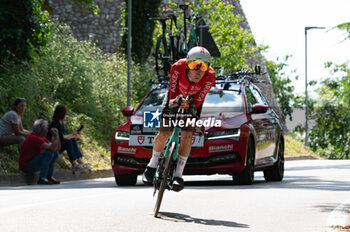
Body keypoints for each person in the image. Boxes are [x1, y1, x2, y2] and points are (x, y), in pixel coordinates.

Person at [142, 46, 216, 191]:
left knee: (188, 134)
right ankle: (152, 165)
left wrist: (191, 106)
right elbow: (173, 89)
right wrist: (176, 101)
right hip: (174, 97)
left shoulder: (210, 76)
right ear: (187, 64)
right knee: (165, 132)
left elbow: (200, 97)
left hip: (193, 102)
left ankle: (178, 175)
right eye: (194, 66)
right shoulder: (177, 67)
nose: (198, 72)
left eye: (203, 67)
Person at [46, 105, 92, 170]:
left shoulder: (61, 123)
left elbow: (63, 136)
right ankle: (74, 163)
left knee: (72, 139)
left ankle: (80, 161)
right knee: (68, 142)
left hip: (58, 144)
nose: (66, 115)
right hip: (53, 145)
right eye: (66, 113)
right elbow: (61, 137)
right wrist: (72, 135)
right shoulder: (56, 123)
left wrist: (73, 135)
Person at [19, 119, 61, 185]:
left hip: (32, 163)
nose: (47, 131)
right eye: (46, 128)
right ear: (41, 129)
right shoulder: (34, 138)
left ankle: (49, 176)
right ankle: (42, 178)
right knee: (48, 153)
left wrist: (57, 136)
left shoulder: (41, 137)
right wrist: (56, 136)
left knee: (55, 153)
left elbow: (57, 149)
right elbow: (52, 148)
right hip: (27, 166)